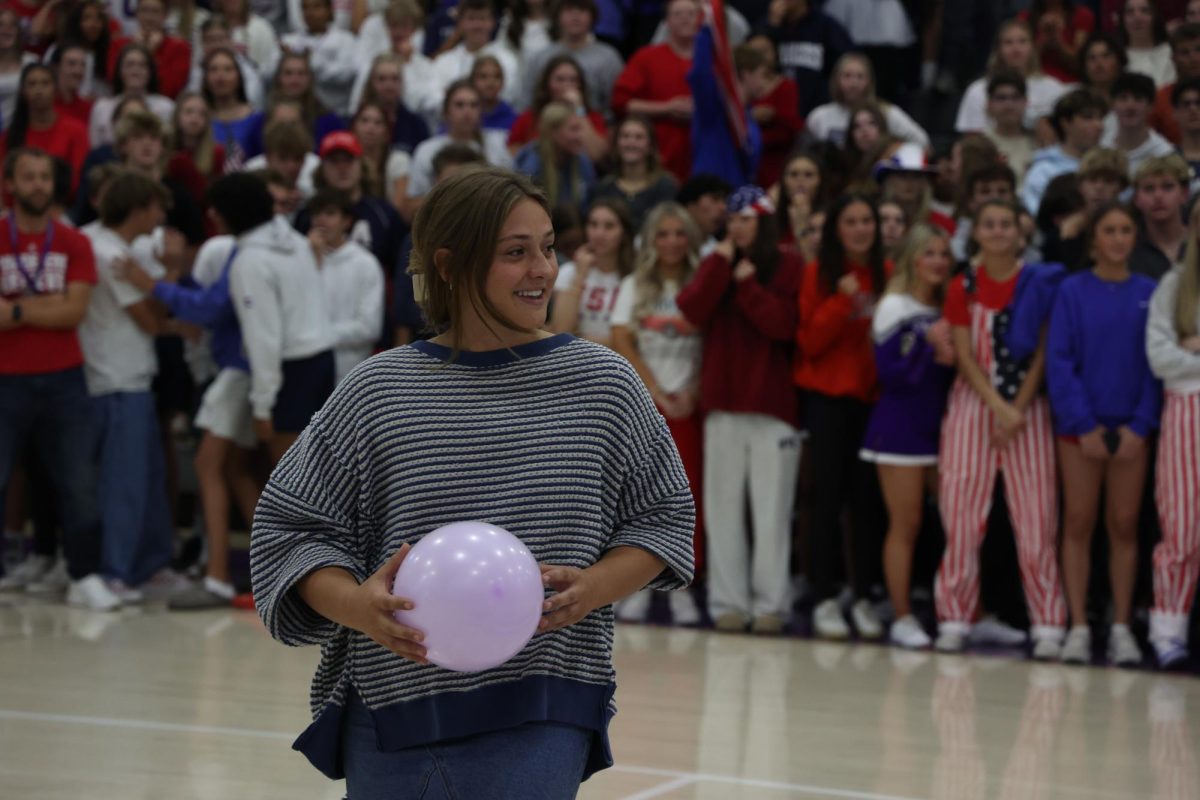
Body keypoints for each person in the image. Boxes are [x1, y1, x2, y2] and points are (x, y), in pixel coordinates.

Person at [251, 166, 694, 796]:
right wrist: (359, 607)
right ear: (450, 264)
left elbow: (664, 518)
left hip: (545, 704)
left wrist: (594, 586)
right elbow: (288, 531)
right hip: (391, 713)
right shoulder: (377, 391)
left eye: (547, 247)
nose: (543, 269)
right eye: (516, 252)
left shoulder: (604, 384)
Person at [935, 199, 1067, 659]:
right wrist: (996, 406)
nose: (996, 232)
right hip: (973, 408)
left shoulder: (1039, 282)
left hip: (1027, 413)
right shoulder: (962, 285)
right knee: (963, 520)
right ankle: (954, 615)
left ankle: (1048, 620)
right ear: (977, 233)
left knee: (1036, 522)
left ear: (1019, 232)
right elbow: (966, 357)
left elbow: (1044, 353)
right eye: (988, 224)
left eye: (1005, 224)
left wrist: (1016, 410)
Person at [676, 186, 803, 635]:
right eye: (731, 220)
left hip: (772, 405)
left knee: (772, 510)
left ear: (764, 221)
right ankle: (728, 601)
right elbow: (691, 308)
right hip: (722, 402)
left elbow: (784, 325)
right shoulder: (718, 264)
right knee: (722, 506)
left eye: (746, 219)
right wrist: (720, 265)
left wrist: (747, 286)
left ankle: (770, 603)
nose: (737, 227)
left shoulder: (789, 264)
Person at [0, 148, 118, 611]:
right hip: (4, 378)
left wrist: (15, 309)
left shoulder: (72, 242)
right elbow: (60, 305)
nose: (36, 185)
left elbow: (75, 309)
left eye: (43, 177)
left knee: (77, 480)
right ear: (11, 184)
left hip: (64, 377)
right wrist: (43, 309)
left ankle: (84, 574)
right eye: (27, 177)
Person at [1046, 201, 1160, 667]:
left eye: (1125, 230)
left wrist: (1140, 424)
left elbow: (1157, 363)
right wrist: (1082, 424)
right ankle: (1077, 625)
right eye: (1108, 230)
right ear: (1093, 239)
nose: (1116, 239)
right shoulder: (1072, 291)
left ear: (1135, 238)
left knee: (1125, 525)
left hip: (1132, 428)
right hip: (1081, 429)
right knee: (1077, 521)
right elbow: (1060, 360)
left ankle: (1120, 627)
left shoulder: (1151, 292)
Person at [794, 194, 889, 641]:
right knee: (827, 501)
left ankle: (865, 596)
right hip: (829, 401)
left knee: (869, 505)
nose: (860, 228)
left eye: (866, 220)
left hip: (875, 404)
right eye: (850, 220)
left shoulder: (889, 275)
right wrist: (841, 302)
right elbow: (810, 342)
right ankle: (825, 597)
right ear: (837, 229)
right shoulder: (819, 273)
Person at [79, 170, 176, 602]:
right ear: (139, 209)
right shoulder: (107, 254)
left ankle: (150, 565)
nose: (161, 214)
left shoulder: (121, 249)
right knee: (124, 483)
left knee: (148, 477)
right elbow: (151, 320)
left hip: (135, 377)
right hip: (114, 379)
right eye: (156, 206)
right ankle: (115, 571)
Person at [859, 224, 955, 650]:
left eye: (943, 254)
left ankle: (963, 611)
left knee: (960, 523)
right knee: (907, 523)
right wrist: (926, 346)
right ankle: (901, 616)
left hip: (945, 429)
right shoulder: (894, 306)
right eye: (929, 253)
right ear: (913, 259)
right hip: (899, 429)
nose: (937, 262)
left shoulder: (949, 305)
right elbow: (890, 376)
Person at [609, 201, 704, 626]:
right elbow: (620, 336)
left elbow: (712, 342)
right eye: (662, 234)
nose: (671, 242)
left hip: (689, 407)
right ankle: (637, 586)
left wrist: (692, 390)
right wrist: (653, 390)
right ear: (651, 240)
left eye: (679, 233)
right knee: (637, 501)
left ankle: (685, 585)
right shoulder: (634, 283)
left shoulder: (703, 282)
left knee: (688, 500)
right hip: (649, 408)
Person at [216, 173, 335, 464]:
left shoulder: (250, 262)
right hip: (322, 360)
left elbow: (264, 338)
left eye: (215, 207)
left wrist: (262, 406)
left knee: (294, 481)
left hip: (292, 372)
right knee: (317, 474)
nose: (210, 214)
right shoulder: (293, 239)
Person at [1145, 227, 1200, 670]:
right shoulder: (1174, 284)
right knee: (1181, 528)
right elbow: (1160, 358)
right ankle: (1168, 633)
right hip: (1184, 411)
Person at [611, 0, 700, 181]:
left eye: (691, 14)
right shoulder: (646, 57)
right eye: (678, 14)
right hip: (659, 154)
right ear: (666, 21)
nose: (685, 19)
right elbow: (620, 102)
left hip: (701, 153)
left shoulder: (715, 61)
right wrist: (667, 108)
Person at [304, 189, 384, 384]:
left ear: (347, 221)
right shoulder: (300, 261)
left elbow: (369, 327)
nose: (321, 221)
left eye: (330, 214)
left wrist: (317, 334)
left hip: (350, 375)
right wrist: (311, 260)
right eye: (316, 214)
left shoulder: (365, 264)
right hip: (306, 371)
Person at [403, 81, 513, 220]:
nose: (467, 111)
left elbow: (509, 195)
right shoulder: (427, 150)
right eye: (459, 105)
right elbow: (410, 207)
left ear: (481, 111)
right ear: (446, 111)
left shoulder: (497, 146)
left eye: (474, 105)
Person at [955, 20, 1067, 139]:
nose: (1016, 48)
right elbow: (971, 140)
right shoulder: (977, 90)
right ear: (998, 49)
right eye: (1008, 42)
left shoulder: (1054, 88)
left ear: (1033, 47)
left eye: (1022, 41)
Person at [549, 197, 634, 347]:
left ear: (624, 233)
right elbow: (561, 332)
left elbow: (636, 340)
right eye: (593, 224)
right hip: (579, 362)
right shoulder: (569, 272)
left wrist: (580, 338)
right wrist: (580, 276)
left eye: (609, 226)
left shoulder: (635, 276)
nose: (599, 233)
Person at [804, 52, 929, 150]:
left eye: (860, 77)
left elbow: (922, 141)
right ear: (836, 80)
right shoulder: (819, 116)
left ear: (869, 81)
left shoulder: (886, 112)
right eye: (847, 76)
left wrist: (891, 154)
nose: (853, 83)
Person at [520, 0, 625, 115]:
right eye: (568, 10)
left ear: (593, 17)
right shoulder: (542, 57)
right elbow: (528, 102)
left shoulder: (609, 58)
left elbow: (613, 106)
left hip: (593, 127)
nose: (575, 16)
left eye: (582, 10)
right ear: (557, 16)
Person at [1, 64, 89, 196]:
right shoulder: (10, 136)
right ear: (23, 91)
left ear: (55, 89)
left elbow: (79, 180)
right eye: (32, 84)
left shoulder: (76, 131)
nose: (38, 90)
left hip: (64, 208)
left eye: (45, 83)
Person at [1022, 89, 1108, 216]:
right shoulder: (1043, 170)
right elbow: (1039, 215)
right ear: (1066, 123)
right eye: (1088, 117)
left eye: (1100, 118)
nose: (1098, 125)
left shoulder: (1110, 165)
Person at [507, 55, 609, 162]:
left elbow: (597, 155)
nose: (567, 85)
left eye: (573, 80)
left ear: (580, 85)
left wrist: (579, 108)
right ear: (547, 84)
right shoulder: (530, 116)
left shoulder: (592, 117)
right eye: (560, 79)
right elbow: (513, 151)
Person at [762, 0, 853, 118]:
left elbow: (848, 62)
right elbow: (754, 62)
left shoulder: (825, 26)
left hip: (816, 113)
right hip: (775, 117)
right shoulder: (768, 25)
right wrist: (771, 27)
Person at [588, 116, 679, 230]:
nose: (631, 142)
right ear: (617, 144)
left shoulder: (665, 186)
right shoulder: (603, 188)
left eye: (639, 137)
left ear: (650, 146)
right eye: (625, 136)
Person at [430, 0, 521, 108]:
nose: (477, 25)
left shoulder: (507, 60)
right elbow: (435, 99)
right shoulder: (443, 62)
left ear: (492, 22)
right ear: (460, 23)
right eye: (471, 19)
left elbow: (509, 97)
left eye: (482, 18)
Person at [88, 43, 176, 149]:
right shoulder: (102, 107)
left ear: (150, 72)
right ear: (120, 70)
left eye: (142, 65)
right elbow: (95, 146)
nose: (136, 70)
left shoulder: (166, 107)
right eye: (130, 64)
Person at [279, 0, 359, 116]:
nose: (310, 12)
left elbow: (346, 74)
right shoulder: (289, 41)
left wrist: (309, 61)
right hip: (296, 114)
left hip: (336, 112)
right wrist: (285, 59)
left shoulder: (345, 40)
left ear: (329, 10)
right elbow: (269, 74)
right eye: (305, 8)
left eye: (317, 7)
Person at [514, 102, 596, 210]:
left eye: (580, 129)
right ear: (553, 132)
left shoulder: (582, 161)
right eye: (573, 129)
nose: (579, 136)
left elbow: (590, 203)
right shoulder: (531, 165)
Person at [108, 0, 192, 99]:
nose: (148, 17)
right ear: (136, 13)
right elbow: (114, 79)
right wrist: (142, 49)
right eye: (144, 10)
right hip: (123, 101)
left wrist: (148, 54)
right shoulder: (119, 45)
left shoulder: (180, 47)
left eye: (155, 12)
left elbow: (170, 88)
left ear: (165, 15)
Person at [1101, 71, 1176, 178]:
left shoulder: (1164, 154)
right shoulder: (1100, 148)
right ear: (1112, 104)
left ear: (1151, 106)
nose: (1130, 106)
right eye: (1123, 98)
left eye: (1138, 98)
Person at [1130, 154, 1191, 281]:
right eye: (1149, 189)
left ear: (1184, 194)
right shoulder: (1127, 248)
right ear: (1136, 198)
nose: (1158, 196)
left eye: (1167, 187)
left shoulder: (1196, 240)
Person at [982, 72, 1037, 188]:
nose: (1009, 104)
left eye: (1015, 97)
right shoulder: (980, 144)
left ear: (1026, 102)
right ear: (989, 104)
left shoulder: (1039, 143)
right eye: (1001, 98)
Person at [1020, 0, 1096, 84]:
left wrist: (1058, 42)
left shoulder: (1082, 15)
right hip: (1034, 81)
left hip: (1070, 84)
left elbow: (1080, 64)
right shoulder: (1024, 18)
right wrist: (1043, 40)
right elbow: (1022, 62)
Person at [1150, 22, 1200, 143]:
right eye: (1185, 52)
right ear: (1173, 58)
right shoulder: (1160, 99)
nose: (1193, 58)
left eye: (1199, 50)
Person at [769, 150, 823, 251]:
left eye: (808, 175)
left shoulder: (827, 219)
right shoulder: (772, 215)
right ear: (783, 181)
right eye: (793, 174)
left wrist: (801, 225)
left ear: (820, 181)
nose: (800, 180)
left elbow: (813, 265)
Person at [1120, 0, 1176, 87]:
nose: (1137, 17)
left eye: (1145, 11)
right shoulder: (1116, 57)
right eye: (1130, 12)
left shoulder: (1173, 52)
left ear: (1155, 17)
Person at [469, 55, 517, 134]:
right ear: (472, 80)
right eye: (483, 77)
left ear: (503, 82)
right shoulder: (463, 115)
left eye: (496, 77)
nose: (490, 83)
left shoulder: (513, 118)